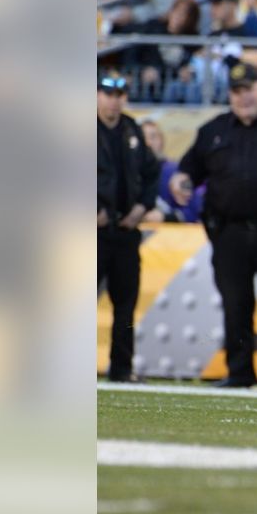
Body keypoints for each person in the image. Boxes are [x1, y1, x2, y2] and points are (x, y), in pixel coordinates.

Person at [169, 63, 257, 390]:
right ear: (230, 95)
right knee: (235, 305)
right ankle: (239, 371)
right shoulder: (213, 131)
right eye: (237, 91)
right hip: (229, 233)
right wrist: (180, 180)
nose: (244, 97)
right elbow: (188, 170)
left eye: (250, 89)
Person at [97, 74, 160, 383]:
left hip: (125, 231)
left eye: (120, 94)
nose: (114, 100)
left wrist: (142, 207)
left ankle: (122, 367)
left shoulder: (131, 130)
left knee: (126, 303)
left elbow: (151, 172)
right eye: (108, 94)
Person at [141, 119, 202, 223]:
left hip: (174, 236)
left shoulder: (177, 172)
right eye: (143, 138)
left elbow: (195, 210)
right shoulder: (128, 175)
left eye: (153, 137)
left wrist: (165, 217)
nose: (148, 142)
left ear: (161, 141)